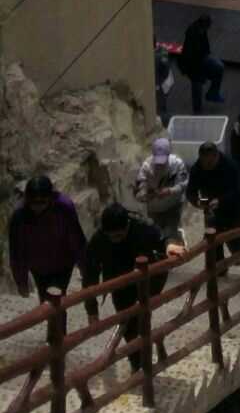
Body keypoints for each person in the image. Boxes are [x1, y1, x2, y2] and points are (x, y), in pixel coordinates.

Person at [83, 204, 180, 371]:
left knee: (142, 320)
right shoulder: (100, 239)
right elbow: (90, 274)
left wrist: (170, 245)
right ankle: (137, 365)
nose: (115, 240)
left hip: (148, 281)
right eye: (111, 236)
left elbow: (164, 235)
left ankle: (145, 366)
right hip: (119, 283)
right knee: (127, 325)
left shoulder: (142, 228)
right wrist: (92, 310)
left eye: (119, 236)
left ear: (127, 226)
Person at [8, 175, 86, 322]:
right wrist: (21, 280)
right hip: (38, 266)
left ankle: (58, 339)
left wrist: (83, 265)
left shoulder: (64, 207)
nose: (38, 207)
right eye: (34, 202)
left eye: (42, 202)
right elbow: (16, 250)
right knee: (46, 303)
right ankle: (55, 338)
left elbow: (76, 238)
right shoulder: (19, 215)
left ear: (50, 198)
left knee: (55, 299)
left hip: (63, 263)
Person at [186, 142, 240, 265]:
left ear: (216, 156)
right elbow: (190, 191)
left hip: (233, 207)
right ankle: (219, 268)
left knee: (235, 238)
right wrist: (197, 202)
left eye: (210, 163)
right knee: (213, 239)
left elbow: (237, 191)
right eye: (204, 162)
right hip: (210, 208)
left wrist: (220, 201)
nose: (207, 166)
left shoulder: (230, 166)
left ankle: (236, 254)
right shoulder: (197, 168)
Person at [133, 136, 188, 239]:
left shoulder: (177, 164)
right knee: (156, 236)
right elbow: (139, 191)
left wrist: (170, 191)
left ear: (168, 154)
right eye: (157, 161)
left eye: (163, 161)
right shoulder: (146, 167)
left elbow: (183, 184)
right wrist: (147, 195)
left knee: (170, 235)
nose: (160, 165)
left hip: (173, 206)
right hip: (154, 210)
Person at [177, 13, 225, 113]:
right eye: (208, 26)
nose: (209, 28)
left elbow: (204, 47)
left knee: (219, 67)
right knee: (197, 88)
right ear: (204, 25)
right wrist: (201, 72)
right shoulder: (192, 34)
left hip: (202, 58)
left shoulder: (201, 30)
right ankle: (197, 112)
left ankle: (213, 93)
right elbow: (190, 56)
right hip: (193, 66)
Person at [154, 43, 175, 125]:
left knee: (160, 106)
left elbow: (165, 69)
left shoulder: (156, 56)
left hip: (159, 86)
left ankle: (165, 123)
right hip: (163, 84)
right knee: (162, 103)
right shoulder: (162, 52)